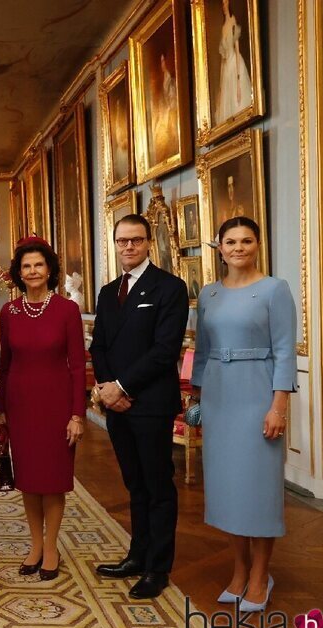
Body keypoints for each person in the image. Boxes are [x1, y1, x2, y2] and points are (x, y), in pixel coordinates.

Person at [190, 217, 295, 613]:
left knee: (259, 489)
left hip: (257, 394)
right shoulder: (209, 294)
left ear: (257, 244)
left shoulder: (274, 289)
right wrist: (196, 397)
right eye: (230, 241)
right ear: (219, 248)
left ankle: (260, 574)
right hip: (218, 397)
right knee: (227, 487)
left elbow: (284, 349)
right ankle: (238, 569)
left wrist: (278, 405)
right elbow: (201, 350)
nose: (238, 247)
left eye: (246, 240)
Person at [89, 214, 188, 599]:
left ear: (148, 243)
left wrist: (121, 386)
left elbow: (165, 351)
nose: (129, 247)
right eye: (122, 241)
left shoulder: (170, 287)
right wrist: (106, 388)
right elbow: (99, 345)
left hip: (150, 404)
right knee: (134, 485)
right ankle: (137, 554)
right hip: (117, 407)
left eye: (136, 240)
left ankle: (157, 568)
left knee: (157, 485)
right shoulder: (108, 291)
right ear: (114, 244)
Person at [0, 237, 85, 581]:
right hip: (20, 406)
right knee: (29, 481)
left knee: (53, 481)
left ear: (49, 270)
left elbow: (77, 366)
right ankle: (35, 545)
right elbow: (4, 365)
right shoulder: (10, 311)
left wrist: (77, 414)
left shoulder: (67, 310)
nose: (32, 271)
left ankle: (51, 547)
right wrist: (2, 409)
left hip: (57, 406)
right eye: (26, 266)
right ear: (19, 273)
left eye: (38, 265)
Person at [215, 0, 253, 124]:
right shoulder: (222, 27)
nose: (224, 6)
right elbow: (222, 58)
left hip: (235, 64)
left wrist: (238, 79)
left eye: (226, 3)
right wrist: (220, 87)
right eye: (223, 4)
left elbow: (237, 51)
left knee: (237, 103)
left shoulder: (233, 21)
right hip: (226, 68)